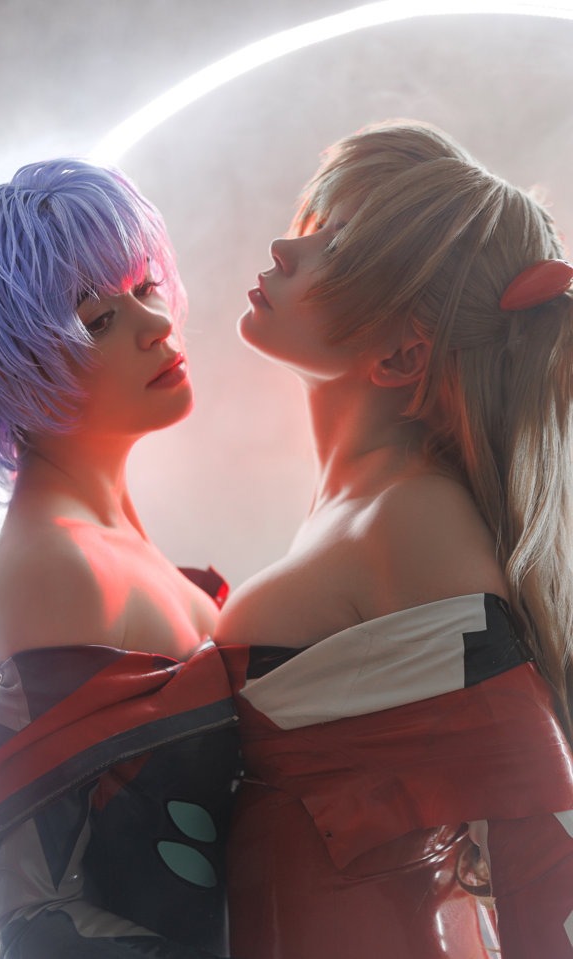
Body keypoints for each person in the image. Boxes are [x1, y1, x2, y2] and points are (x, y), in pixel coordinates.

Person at [215, 121, 573, 958]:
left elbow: (544, 834)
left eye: (335, 248)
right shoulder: (368, 508)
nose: (284, 250)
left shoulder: (412, 519)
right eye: (314, 228)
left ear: (404, 353)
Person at [0, 158, 239, 958]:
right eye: (97, 319)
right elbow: (41, 921)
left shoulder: (101, 547)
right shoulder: (52, 567)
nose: (156, 324)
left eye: (145, 286)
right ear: (9, 368)